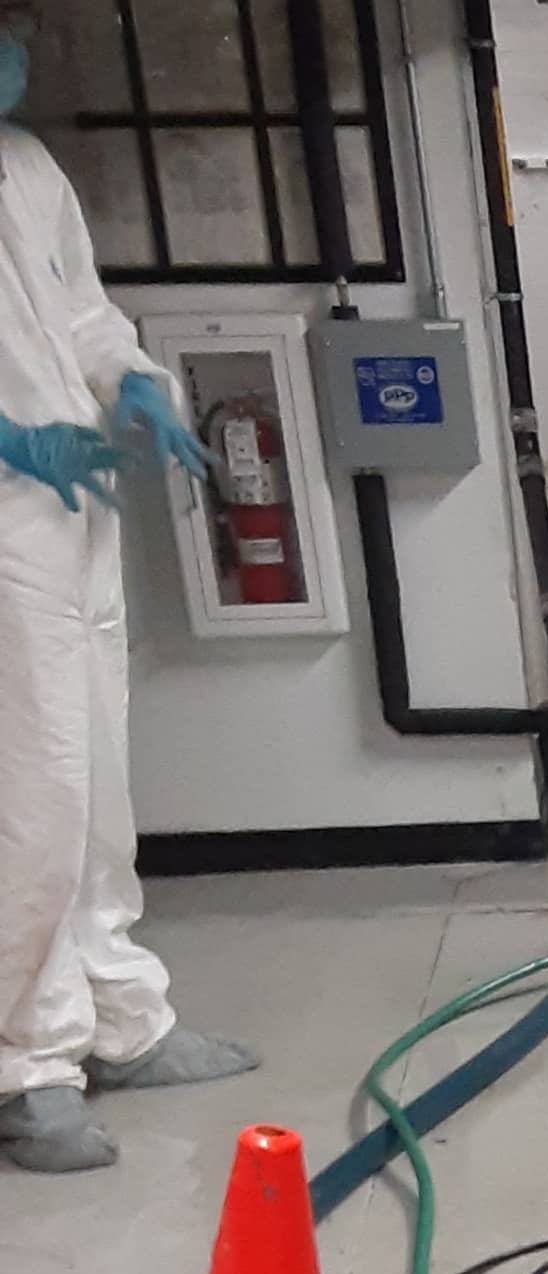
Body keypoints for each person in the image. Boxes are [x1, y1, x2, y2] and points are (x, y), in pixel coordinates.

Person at [0, 3, 258, 1175]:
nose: (18, 50)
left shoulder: (26, 165)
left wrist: (138, 382)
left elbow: (82, 313)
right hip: (6, 519)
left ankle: (118, 1013)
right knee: (31, 803)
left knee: (98, 782)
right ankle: (27, 1065)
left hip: (71, 515)